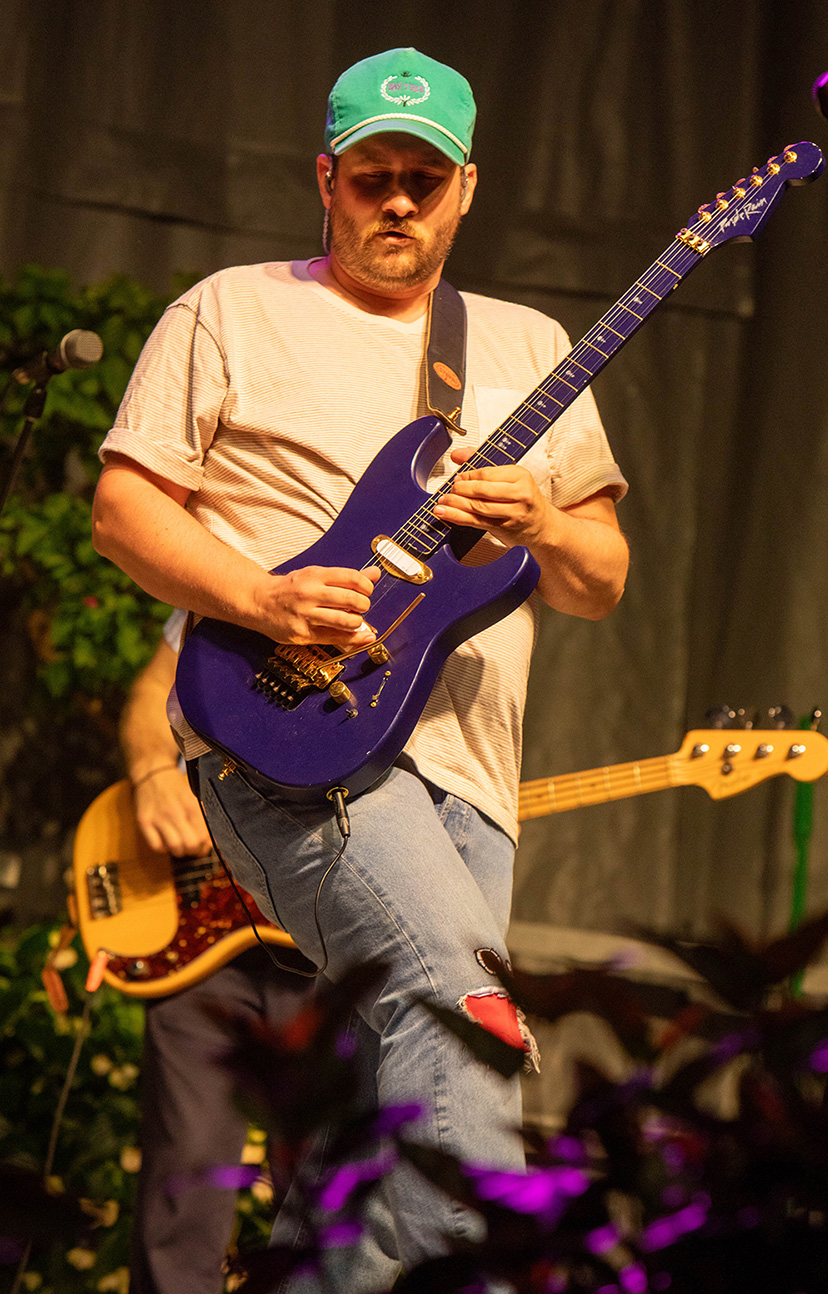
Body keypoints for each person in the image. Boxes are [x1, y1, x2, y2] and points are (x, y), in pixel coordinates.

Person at [91, 46, 629, 1291]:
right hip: (291, 729)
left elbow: (600, 577)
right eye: (372, 176)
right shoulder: (230, 308)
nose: (397, 202)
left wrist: (542, 519)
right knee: (462, 1016)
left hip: (471, 774)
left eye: (423, 180)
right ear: (323, 180)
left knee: (379, 1114)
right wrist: (259, 596)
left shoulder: (526, 343)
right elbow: (125, 512)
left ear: (467, 189)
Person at [122, 612, 320, 1294]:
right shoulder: (229, 563)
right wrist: (153, 771)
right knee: (185, 1181)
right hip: (204, 944)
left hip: (325, 951)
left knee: (321, 1188)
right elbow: (153, 693)